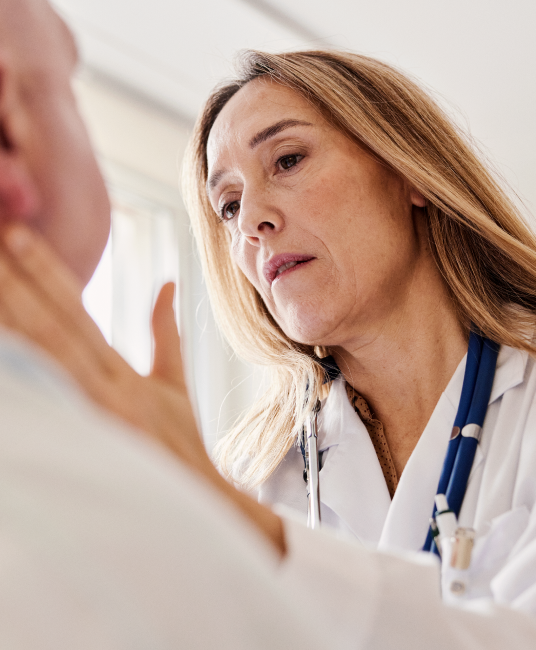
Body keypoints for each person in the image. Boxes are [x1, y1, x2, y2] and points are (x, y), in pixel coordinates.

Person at [2, 9, 536, 650]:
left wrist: (258, 536)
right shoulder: (255, 477)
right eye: (227, 204)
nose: (251, 218)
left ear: (407, 173)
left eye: (287, 159)